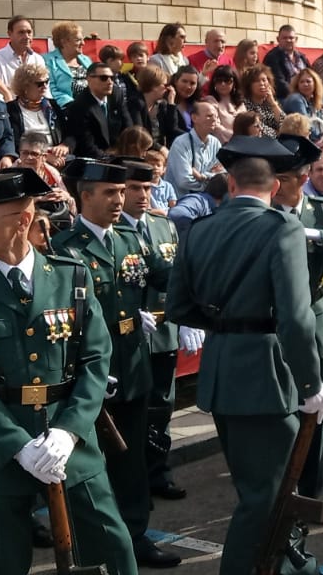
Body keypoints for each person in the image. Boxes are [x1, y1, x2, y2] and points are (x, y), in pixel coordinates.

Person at [0, 168, 137, 574]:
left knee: (111, 550)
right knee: (6, 563)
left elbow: (95, 361)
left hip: (69, 441)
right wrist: (17, 445)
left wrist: (69, 430)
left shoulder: (71, 275)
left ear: (22, 221)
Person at [164, 136, 323, 575]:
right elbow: (295, 317)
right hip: (267, 373)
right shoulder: (282, 227)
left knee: (258, 488)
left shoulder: (199, 229)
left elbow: (178, 306)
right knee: (267, 496)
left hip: (221, 367)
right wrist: (311, 384)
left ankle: (286, 566)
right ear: (275, 186)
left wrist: (224, 320)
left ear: (232, 184)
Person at [50, 159, 178, 568]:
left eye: (122, 192)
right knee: (92, 466)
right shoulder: (66, 248)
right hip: (91, 374)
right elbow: (62, 315)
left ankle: (136, 538)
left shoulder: (129, 238)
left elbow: (164, 277)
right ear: (84, 196)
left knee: (132, 459)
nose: (119, 200)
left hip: (133, 363)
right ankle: (93, 545)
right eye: (109, 193)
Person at [117, 157, 202, 507]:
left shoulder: (162, 225)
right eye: (135, 188)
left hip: (163, 331)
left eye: (148, 188)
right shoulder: (112, 231)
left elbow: (179, 276)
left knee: (162, 406)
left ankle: (158, 470)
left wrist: (186, 319)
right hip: (126, 338)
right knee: (131, 411)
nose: (142, 195)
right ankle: (132, 475)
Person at [269, 134, 323, 515]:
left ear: (298, 179)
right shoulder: (262, 211)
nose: (275, 183)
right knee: (276, 407)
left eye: (283, 176)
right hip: (269, 321)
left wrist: (313, 235)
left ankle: (309, 495)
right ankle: (277, 492)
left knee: (316, 405)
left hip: (311, 314)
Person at [64, 62, 132, 160]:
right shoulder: (80, 106)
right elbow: (86, 145)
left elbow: (128, 127)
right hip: (95, 159)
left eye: (111, 78)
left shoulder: (116, 95)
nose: (110, 82)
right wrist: (111, 158)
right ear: (89, 79)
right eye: (103, 78)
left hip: (119, 152)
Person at [166, 99, 225, 196]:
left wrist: (202, 177)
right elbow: (184, 181)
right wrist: (211, 183)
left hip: (207, 199)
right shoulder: (181, 143)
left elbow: (222, 174)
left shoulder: (215, 143)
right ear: (194, 118)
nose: (215, 120)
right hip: (182, 200)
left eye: (216, 116)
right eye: (209, 116)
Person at [0, 16, 40, 86]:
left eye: (29, 32)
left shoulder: (38, 59)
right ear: (10, 34)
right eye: (21, 32)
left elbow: (46, 90)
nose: (26, 36)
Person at [263, 24, 309, 96]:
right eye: (284, 38)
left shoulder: (302, 57)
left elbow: (312, 75)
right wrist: (299, 94)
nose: (288, 40)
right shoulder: (272, 57)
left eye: (291, 38)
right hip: (284, 97)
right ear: (278, 39)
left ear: (296, 39)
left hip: (306, 95)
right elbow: (279, 84)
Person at [240, 64, 285, 137]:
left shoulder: (271, 102)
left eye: (264, 80)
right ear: (249, 85)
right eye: (256, 81)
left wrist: (273, 103)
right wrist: (277, 133)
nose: (262, 84)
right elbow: (258, 128)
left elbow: (285, 125)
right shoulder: (245, 104)